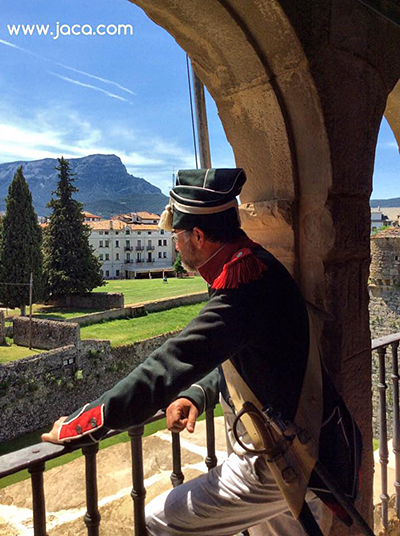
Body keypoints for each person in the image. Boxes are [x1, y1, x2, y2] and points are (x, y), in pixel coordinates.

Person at [42, 168, 361, 535]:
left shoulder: (244, 285)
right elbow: (239, 358)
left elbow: (169, 364)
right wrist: (196, 395)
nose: (174, 244)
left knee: (158, 519)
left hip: (284, 457)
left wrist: (86, 423)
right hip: (300, 447)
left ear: (197, 235)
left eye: (177, 234)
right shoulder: (252, 268)